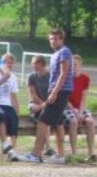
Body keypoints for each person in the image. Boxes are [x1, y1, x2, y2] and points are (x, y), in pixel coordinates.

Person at [21, 30, 72, 164]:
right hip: (57, 92)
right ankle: (60, 155)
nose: (53, 41)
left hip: (60, 92)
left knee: (43, 121)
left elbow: (63, 74)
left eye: (55, 38)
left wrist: (54, 93)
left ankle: (35, 154)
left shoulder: (64, 52)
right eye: (51, 39)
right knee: (58, 122)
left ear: (61, 39)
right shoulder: (55, 54)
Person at [0, 53, 21, 160]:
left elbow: (13, 96)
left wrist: (17, 111)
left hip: (7, 104)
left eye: (10, 62)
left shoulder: (13, 77)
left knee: (14, 119)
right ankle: (5, 145)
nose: (8, 64)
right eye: (6, 62)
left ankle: (12, 151)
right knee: (1, 116)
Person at [64, 54, 96, 160]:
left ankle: (91, 153)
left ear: (80, 65)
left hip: (80, 107)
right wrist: (75, 112)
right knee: (73, 121)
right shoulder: (65, 79)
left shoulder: (85, 78)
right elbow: (66, 100)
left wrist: (81, 112)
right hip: (68, 108)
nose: (73, 66)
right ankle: (74, 153)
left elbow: (84, 98)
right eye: (71, 64)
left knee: (90, 121)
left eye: (75, 64)